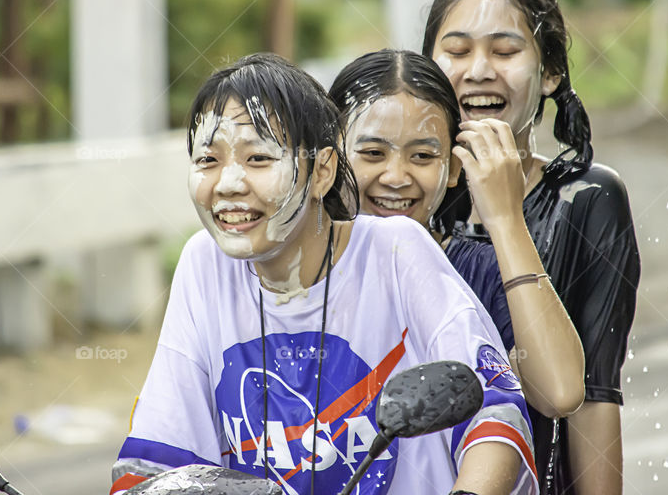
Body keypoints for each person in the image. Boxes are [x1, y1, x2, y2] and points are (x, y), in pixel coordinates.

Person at [111, 53, 538, 495]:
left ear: (323, 171)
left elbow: (494, 415)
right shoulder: (205, 262)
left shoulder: (397, 249)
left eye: (258, 158)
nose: (229, 184)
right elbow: (154, 464)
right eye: (207, 160)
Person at [422, 0, 641, 495]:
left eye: (504, 51)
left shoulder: (586, 199)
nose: (478, 70)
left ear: (550, 74)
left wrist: (502, 213)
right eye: (456, 51)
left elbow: (588, 399)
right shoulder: (403, 194)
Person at [329, 48, 584, 422]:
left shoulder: (479, 271)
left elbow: (560, 392)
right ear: (329, 160)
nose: (397, 177)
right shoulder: (294, 271)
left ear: (451, 169)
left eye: (422, 157)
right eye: (372, 153)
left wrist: (506, 218)